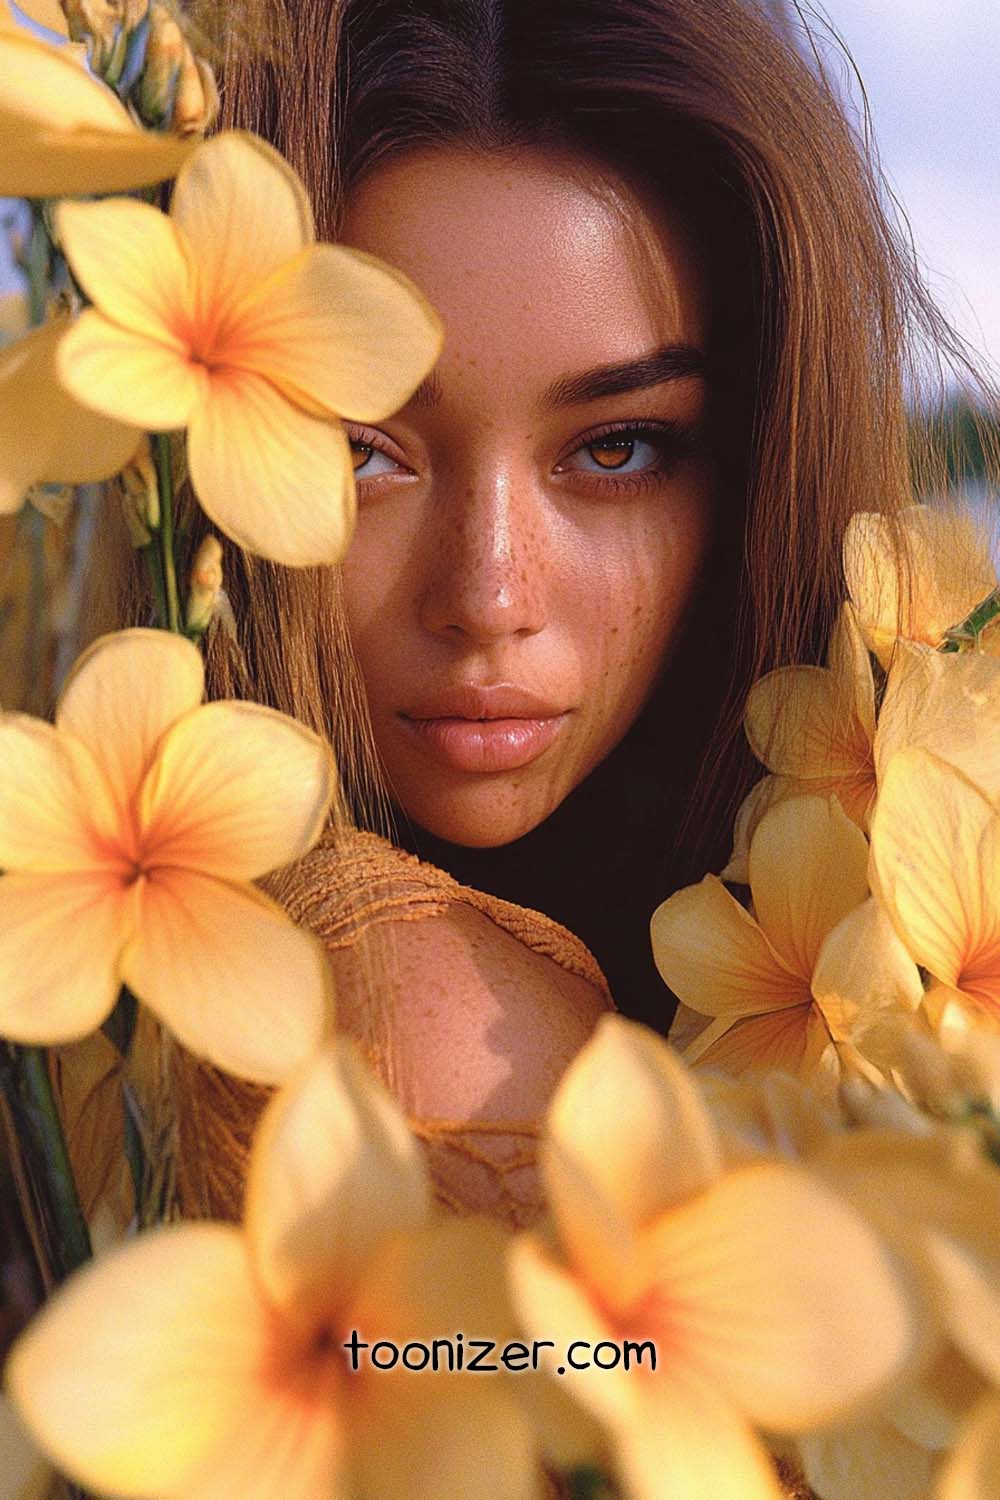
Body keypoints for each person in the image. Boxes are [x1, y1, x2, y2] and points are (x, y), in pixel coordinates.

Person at [85, 0, 995, 1227]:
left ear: (752, 469)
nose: (490, 598)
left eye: (616, 450)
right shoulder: (416, 1057)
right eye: (360, 452)